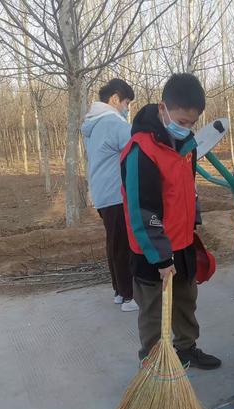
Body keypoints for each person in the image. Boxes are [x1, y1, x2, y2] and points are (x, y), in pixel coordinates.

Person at [120, 73, 221, 369]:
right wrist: (162, 258)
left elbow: (188, 192)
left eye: (192, 123)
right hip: (152, 250)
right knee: (154, 310)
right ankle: (153, 362)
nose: (187, 129)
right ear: (163, 109)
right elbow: (142, 210)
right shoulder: (141, 150)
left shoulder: (186, 146)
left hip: (183, 242)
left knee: (185, 300)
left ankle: (186, 347)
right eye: (181, 121)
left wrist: (194, 224)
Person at [81, 79, 138, 312]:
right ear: (115, 99)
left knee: (113, 243)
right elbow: (137, 149)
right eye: (126, 102)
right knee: (123, 245)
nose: (126, 108)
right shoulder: (114, 122)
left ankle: (118, 291)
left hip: (102, 193)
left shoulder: (91, 124)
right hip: (117, 192)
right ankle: (128, 297)